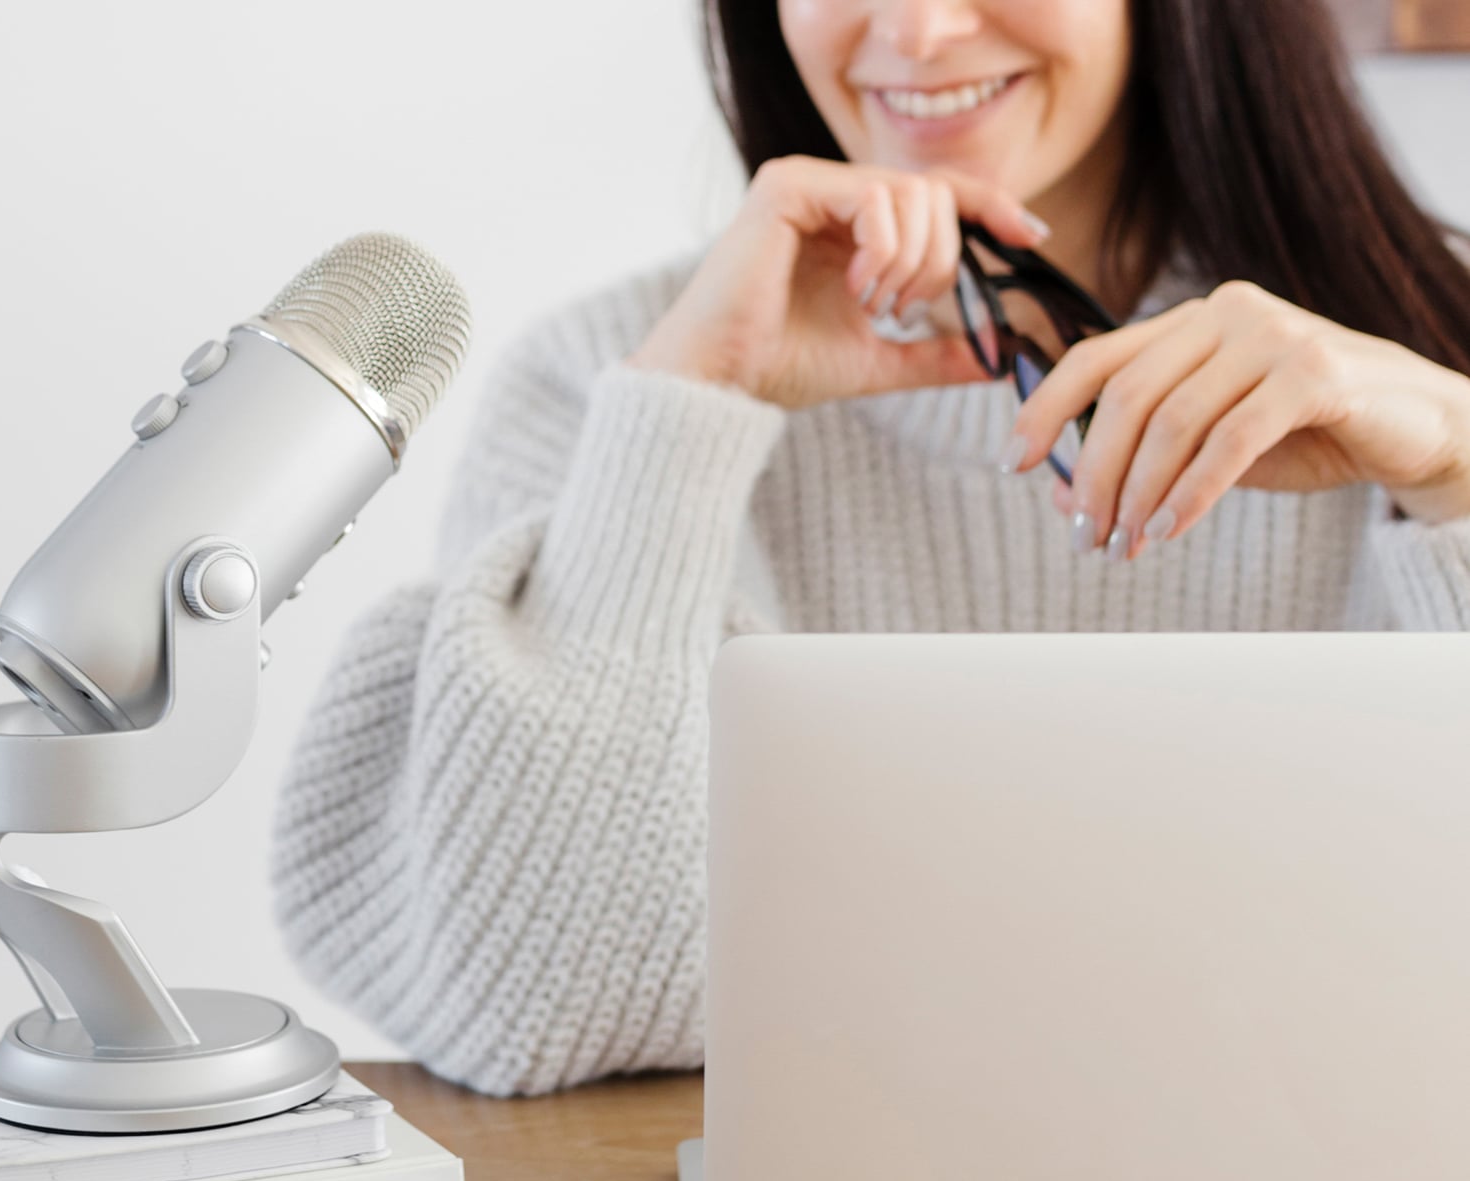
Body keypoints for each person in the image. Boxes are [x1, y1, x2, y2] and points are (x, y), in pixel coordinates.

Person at [270, 0, 1470, 1097]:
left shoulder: (1422, 366)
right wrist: (688, 417)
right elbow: (528, 1006)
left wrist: (1460, 480)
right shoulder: (618, 381)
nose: (919, 28)